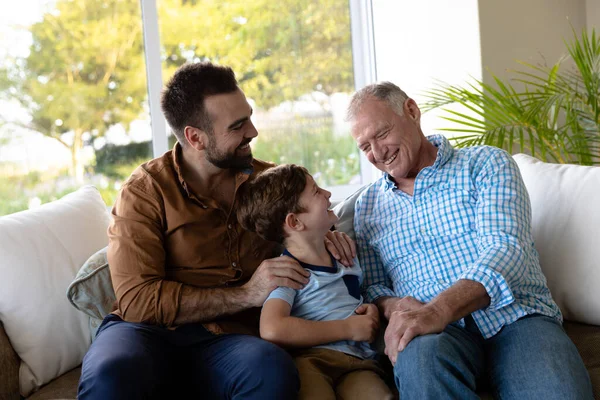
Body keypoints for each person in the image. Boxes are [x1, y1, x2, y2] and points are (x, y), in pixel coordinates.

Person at [77, 62, 356, 400]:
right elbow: (138, 301)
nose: (253, 131)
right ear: (196, 137)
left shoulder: (268, 184)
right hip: (145, 333)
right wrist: (246, 294)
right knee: (111, 374)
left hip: (232, 339)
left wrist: (328, 237)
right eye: (238, 126)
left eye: (249, 117)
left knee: (270, 368)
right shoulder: (145, 191)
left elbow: (301, 226)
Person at [347, 81, 594, 399]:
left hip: (515, 318)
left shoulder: (487, 164)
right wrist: (396, 306)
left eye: (381, 134)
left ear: (411, 110)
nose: (378, 153)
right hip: (432, 336)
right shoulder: (367, 206)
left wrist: (437, 310)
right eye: (365, 147)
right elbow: (375, 286)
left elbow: (506, 249)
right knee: (421, 368)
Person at [236, 164, 394, 400]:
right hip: (312, 362)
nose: (328, 194)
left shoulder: (346, 256)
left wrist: (370, 312)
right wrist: (348, 328)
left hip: (359, 362)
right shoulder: (288, 272)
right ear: (295, 222)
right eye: (316, 191)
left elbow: (356, 297)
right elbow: (272, 328)